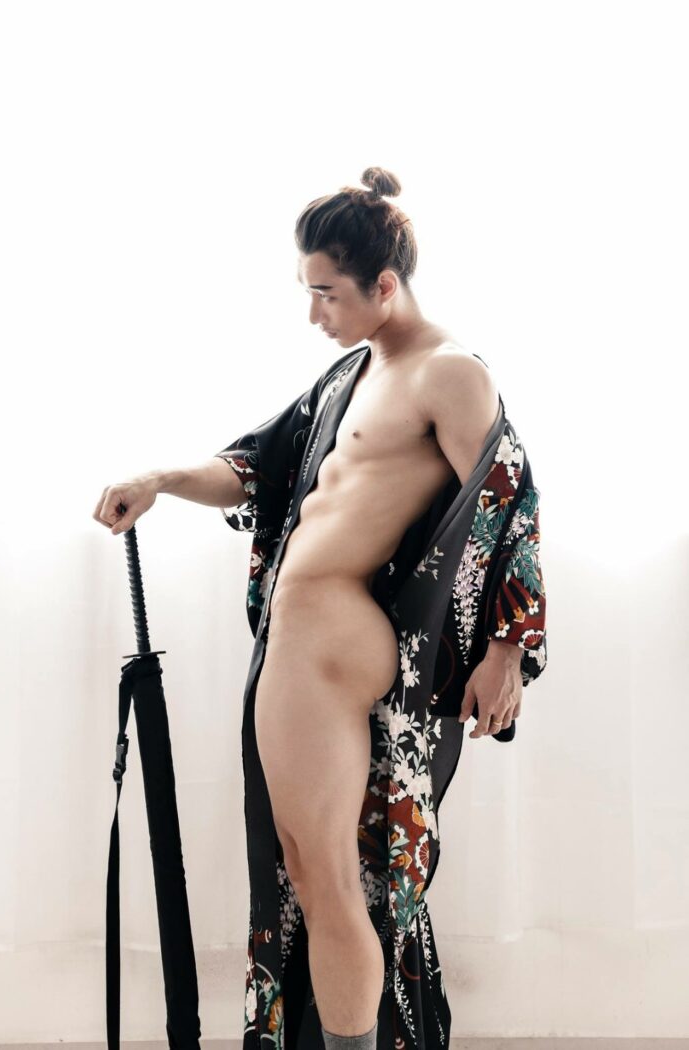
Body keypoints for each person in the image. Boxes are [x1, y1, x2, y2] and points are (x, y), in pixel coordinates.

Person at [93, 166, 547, 1050]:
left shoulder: (449, 374)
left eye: (327, 293)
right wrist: (158, 479)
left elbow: (510, 507)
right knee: (316, 874)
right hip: (310, 646)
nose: (314, 314)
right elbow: (259, 465)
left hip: (328, 646)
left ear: (385, 284)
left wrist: (508, 651)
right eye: (308, 292)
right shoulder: (357, 371)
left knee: (328, 876)